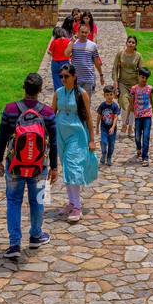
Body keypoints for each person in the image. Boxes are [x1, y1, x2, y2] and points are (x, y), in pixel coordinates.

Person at [0, 72, 58, 258]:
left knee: (14, 201)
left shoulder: (10, 109)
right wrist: (54, 167)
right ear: (39, 90)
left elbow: (2, 137)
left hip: (14, 165)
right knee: (38, 200)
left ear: (24, 87)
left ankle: (14, 244)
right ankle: (36, 236)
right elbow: (53, 143)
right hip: (39, 166)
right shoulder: (47, 113)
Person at [54, 62, 97, 222]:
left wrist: (92, 139)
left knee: (73, 166)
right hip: (61, 135)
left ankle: (77, 206)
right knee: (66, 167)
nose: (63, 79)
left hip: (77, 135)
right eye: (61, 77)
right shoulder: (58, 93)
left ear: (74, 77)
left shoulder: (81, 93)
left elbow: (88, 117)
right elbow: (52, 113)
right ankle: (71, 201)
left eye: (66, 76)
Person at [112, 33, 143, 134]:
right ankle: (124, 123)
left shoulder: (138, 56)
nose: (131, 44)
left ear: (135, 45)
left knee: (133, 106)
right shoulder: (120, 54)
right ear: (126, 43)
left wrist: (141, 86)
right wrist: (115, 85)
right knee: (125, 104)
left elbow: (141, 71)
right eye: (129, 42)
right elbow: (115, 69)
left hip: (134, 84)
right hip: (122, 83)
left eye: (133, 42)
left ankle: (130, 126)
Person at [71, 21, 104, 98]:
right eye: (82, 32)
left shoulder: (92, 45)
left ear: (88, 33)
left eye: (86, 32)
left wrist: (101, 75)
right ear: (78, 32)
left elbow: (96, 61)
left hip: (88, 78)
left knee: (87, 102)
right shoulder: (73, 44)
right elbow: (66, 54)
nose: (84, 34)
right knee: (76, 102)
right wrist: (72, 42)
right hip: (76, 78)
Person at [130, 65, 153, 166]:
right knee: (137, 136)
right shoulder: (134, 89)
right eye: (142, 77)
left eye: (146, 78)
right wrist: (131, 113)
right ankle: (138, 148)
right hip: (138, 115)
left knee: (146, 136)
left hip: (147, 114)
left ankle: (145, 157)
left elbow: (151, 100)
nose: (144, 80)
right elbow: (132, 101)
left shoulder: (150, 88)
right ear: (139, 76)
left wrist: (152, 109)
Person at [96, 84, 121, 166]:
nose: (109, 96)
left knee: (111, 144)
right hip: (104, 128)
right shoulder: (102, 106)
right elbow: (99, 116)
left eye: (111, 94)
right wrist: (97, 127)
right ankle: (103, 154)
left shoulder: (115, 106)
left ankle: (109, 157)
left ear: (113, 94)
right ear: (104, 95)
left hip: (112, 128)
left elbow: (116, 117)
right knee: (103, 141)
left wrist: (113, 127)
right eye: (107, 95)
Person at [47, 24, 73, 92]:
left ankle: (58, 92)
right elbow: (70, 52)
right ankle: (66, 91)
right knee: (66, 77)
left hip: (55, 63)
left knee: (56, 78)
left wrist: (54, 54)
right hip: (65, 62)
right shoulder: (68, 41)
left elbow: (49, 51)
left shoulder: (54, 42)